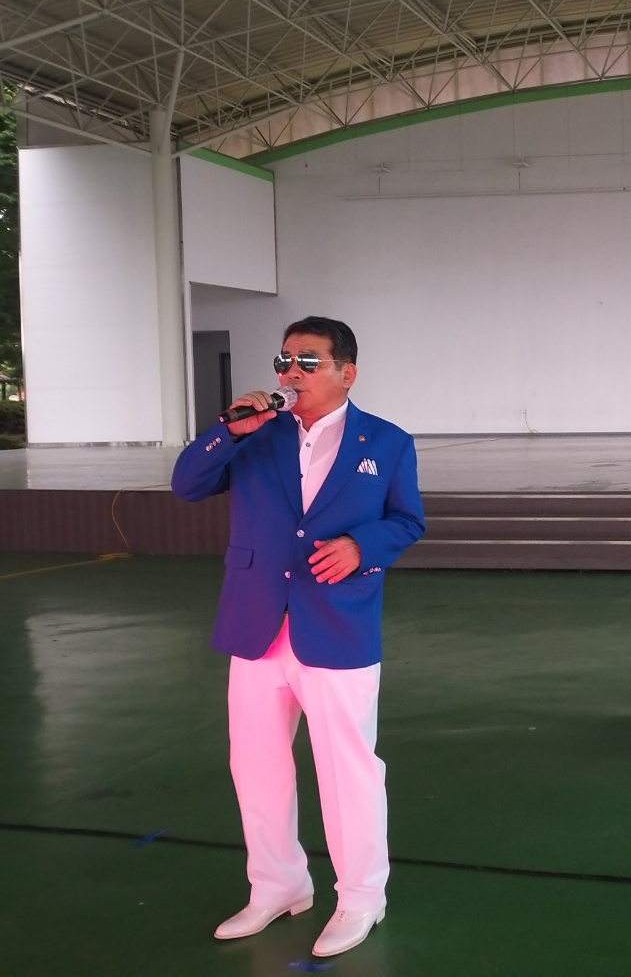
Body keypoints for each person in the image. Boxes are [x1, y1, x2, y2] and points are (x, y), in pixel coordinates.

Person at [171, 316, 424, 958]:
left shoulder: (387, 441)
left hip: (337, 625)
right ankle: (277, 885)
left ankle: (361, 897)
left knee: (348, 770)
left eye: (308, 361)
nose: (291, 372)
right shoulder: (255, 433)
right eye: (285, 360)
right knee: (255, 766)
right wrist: (229, 429)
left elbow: (407, 521)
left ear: (347, 372)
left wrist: (361, 546)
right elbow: (186, 484)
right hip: (256, 623)